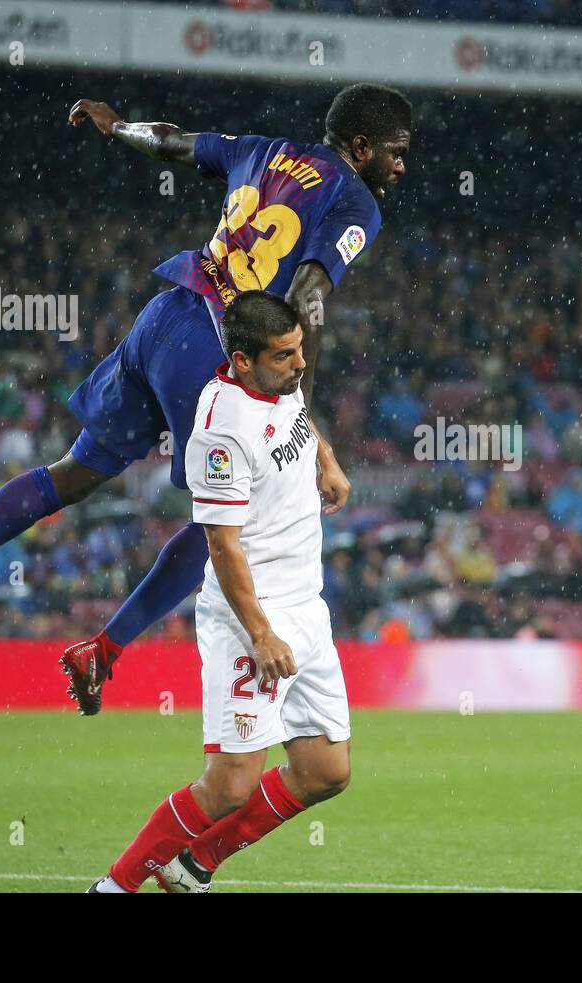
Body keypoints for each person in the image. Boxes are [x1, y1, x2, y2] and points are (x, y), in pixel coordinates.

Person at [0, 85, 411, 715]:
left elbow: (176, 142)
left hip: (166, 315)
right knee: (227, 522)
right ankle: (103, 650)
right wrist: (296, 411)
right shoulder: (355, 200)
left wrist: (115, 128)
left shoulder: (263, 151)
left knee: (73, 475)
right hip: (217, 352)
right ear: (362, 147)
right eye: (398, 153)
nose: (402, 166)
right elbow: (311, 289)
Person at [90, 291, 350, 894]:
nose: (299, 364)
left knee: (325, 770)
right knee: (230, 784)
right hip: (250, 618)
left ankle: (191, 866)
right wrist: (260, 634)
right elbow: (223, 544)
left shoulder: (280, 384)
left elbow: (300, 421)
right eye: (284, 355)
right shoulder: (220, 432)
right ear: (241, 359)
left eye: (299, 350)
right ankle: (113, 887)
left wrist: (326, 460)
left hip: (306, 605)